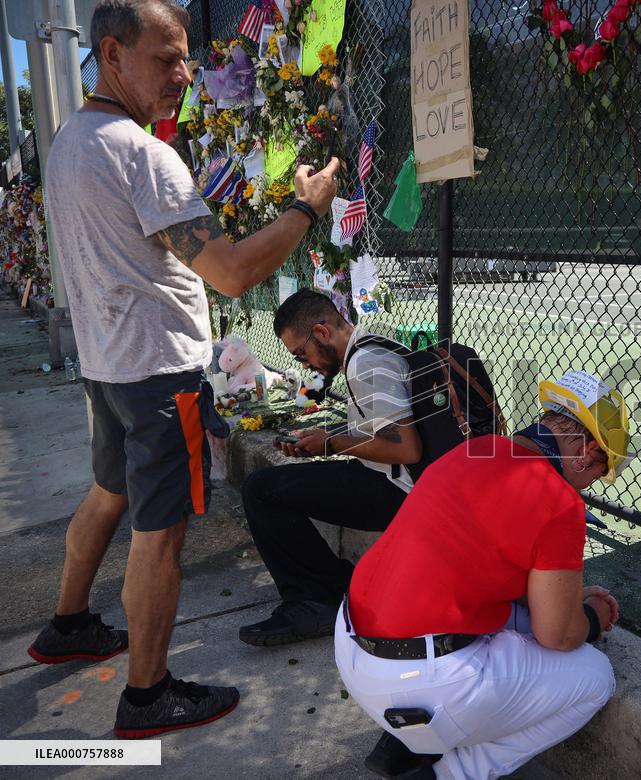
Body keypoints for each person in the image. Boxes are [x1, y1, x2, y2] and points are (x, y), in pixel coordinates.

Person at [27, 0, 341, 739]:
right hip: (159, 375)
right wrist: (305, 209)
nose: (183, 75)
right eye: (165, 58)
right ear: (112, 55)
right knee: (159, 533)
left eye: (186, 59)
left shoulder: (71, 141)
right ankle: (148, 697)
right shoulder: (143, 154)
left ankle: (69, 624)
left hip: (109, 368)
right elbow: (230, 273)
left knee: (108, 493)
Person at [335, 371, 631, 779]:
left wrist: (565, 601)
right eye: (598, 471)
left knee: (509, 617)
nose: (589, 483)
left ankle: (403, 745)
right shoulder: (561, 501)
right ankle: (451, 773)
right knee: (595, 678)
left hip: (353, 646)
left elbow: (488, 567)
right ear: (588, 451)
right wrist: (592, 618)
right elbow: (558, 635)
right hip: (421, 681)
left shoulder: (479, 448)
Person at [238, 289, 420, 646]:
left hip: (401, 492)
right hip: (387, 477)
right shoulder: (367, 348)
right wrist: (323, 439)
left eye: (301, 354)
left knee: (260, 491)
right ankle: (328, 590)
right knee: (271, 487)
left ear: (321, 332)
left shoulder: (365, 363)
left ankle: (316, 601)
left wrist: (332, 444)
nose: (305, 365)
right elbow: (382, 431)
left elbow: (406, 449)